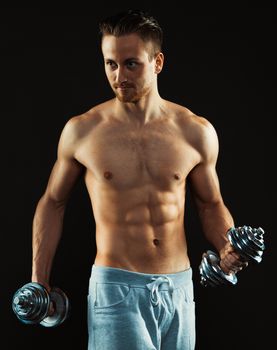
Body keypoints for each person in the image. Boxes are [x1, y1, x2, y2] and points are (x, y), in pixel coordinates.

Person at [31, 9, 248, 350]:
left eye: (131, 63)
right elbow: (52, 202)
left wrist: (227, 247)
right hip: (116, 290)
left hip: (179, 288)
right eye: (110, 64)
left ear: (157, 62)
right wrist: (37, 282)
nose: (119, 76)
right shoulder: (83, 131)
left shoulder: (195, 132)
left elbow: (211, 204)